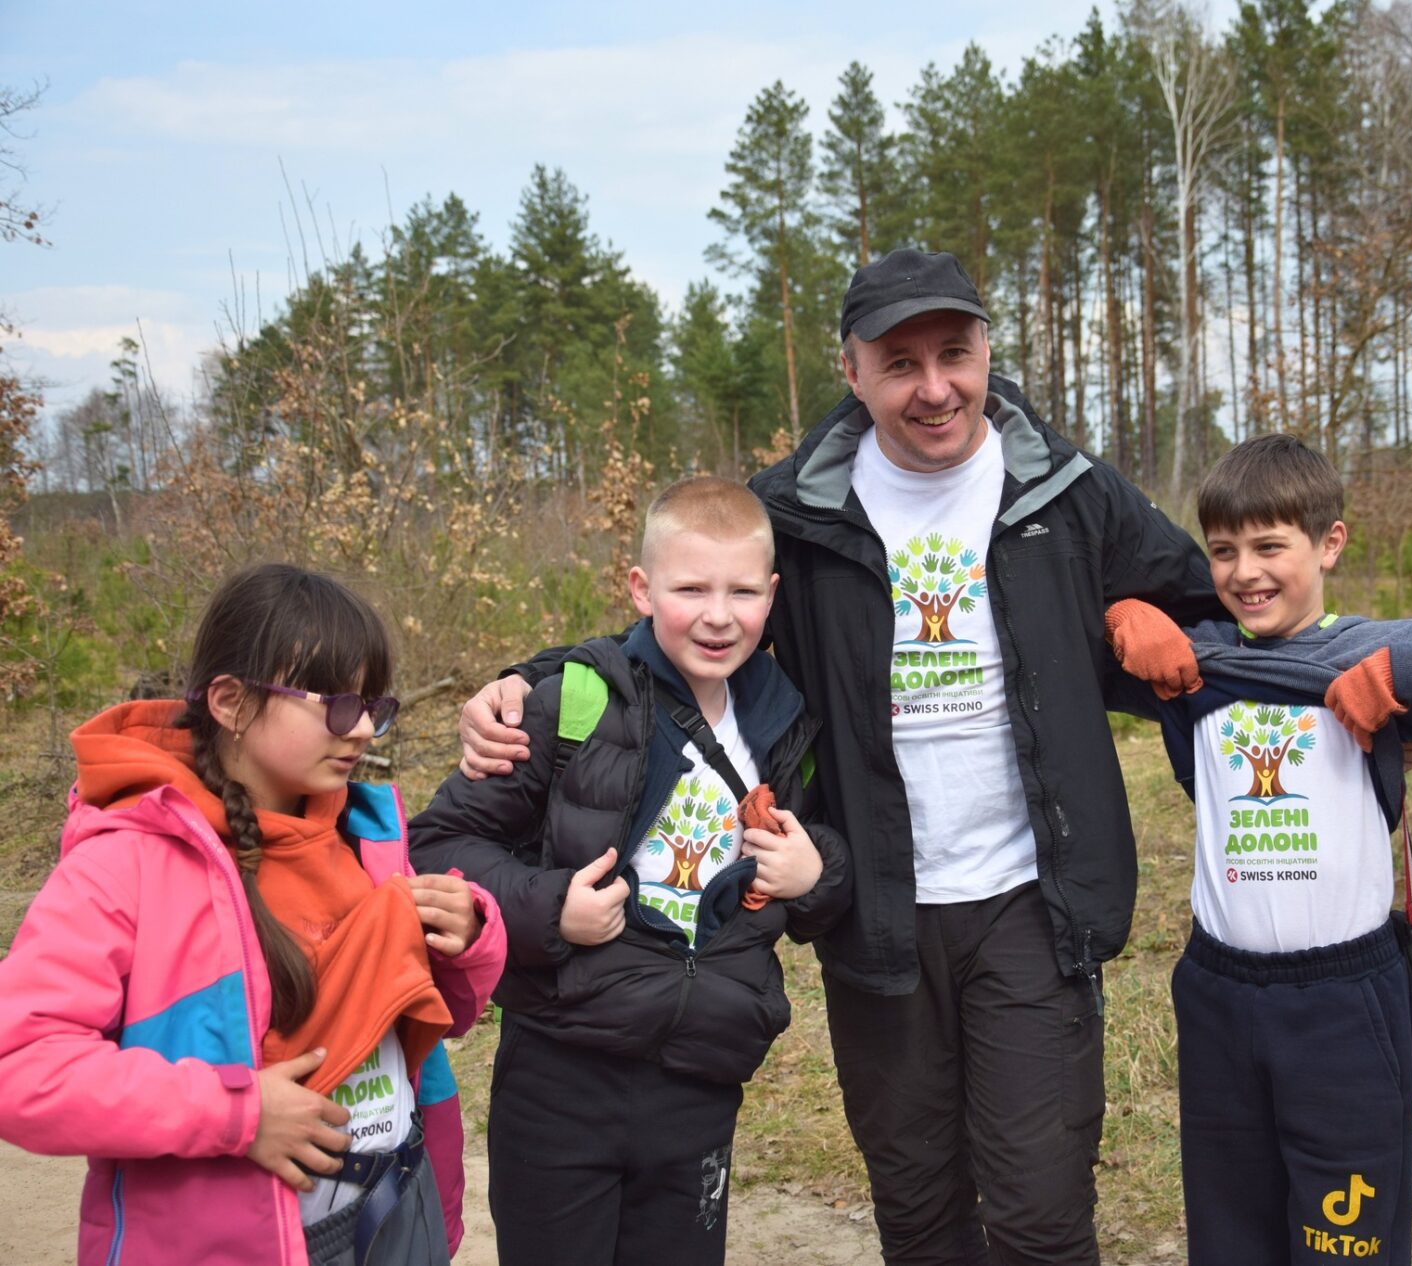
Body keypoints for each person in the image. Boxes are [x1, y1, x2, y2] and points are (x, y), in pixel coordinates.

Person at [457, 247, 1224, 1263]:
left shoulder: (1066, 492)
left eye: (954, 354)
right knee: (918, 1213)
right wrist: (524, 679)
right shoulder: (798, 512)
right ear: (852, 371)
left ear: (987, 351)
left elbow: (1215, 615)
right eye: (900, 363)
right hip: (878, 914)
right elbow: (683, 632)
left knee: (1040, 1218)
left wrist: (1140, 613)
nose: (935, 387)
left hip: (1031, 904)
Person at [1103, 433, 1412, 1264]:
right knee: (1230, 1234)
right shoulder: (1194, 667)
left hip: (1345, 1003)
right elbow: (1046, 649)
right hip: (1218, 996)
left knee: (1346, 1239)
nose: (1245, 572)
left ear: (1329, 543)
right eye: (1223, 551)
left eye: (1269, 547)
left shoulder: (1377, 659)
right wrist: (1120, 619)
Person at [0, 562, 506, 1266]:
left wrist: (473, 935)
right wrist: (236, 1112)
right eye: (337, 704)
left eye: (373, 705)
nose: (364, 729)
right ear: (231, 703)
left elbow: (435, 1018)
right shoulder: (126, 863)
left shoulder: (366, 838)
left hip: (397, 1212)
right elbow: (22, 1067)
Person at [408, 476, 851, 1265]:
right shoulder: (571, 701)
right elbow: (438, 845)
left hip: (700, 1083)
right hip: (560, 1078)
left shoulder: (787, 723)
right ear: (642, 589)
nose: (719, 615)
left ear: (772, 595)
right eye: (691, 589)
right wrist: (551, 908)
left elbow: (824, 882)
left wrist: (814, 872)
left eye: (743, 591)